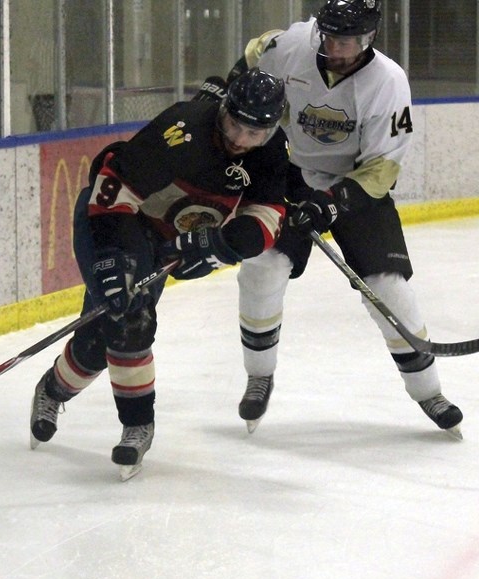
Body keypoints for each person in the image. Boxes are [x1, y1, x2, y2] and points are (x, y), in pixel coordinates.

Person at [29, 67, 294, 480]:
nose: (241, 140)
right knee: (127, 318)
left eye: (254, 134)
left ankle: (52, 390)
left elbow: (267, 215)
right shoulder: (182, 128)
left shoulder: (272, 151)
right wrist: (109, 259)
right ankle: (138, 424)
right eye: (234, 125)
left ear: (272, 129)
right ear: (222, 108)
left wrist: (221, 245)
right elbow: (112, 189)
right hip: (116, 222)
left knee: (102, 338)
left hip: (166, 241)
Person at [227, 0, 465, 438]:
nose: (336, 46)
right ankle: (259, 375)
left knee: (389, 287)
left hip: (356, 185)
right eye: (330, 35)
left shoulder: (388, 83)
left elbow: (381, 169)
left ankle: (429, 391)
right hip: (293, 173)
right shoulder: (294, 44)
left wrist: (332, 202)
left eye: (348, 39)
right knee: (263, 266)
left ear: (369, 38)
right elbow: (253, 59)